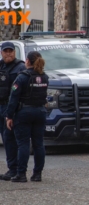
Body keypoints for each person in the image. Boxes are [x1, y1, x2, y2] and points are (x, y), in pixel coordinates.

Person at [5, 51, 49, 182]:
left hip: (24, 113)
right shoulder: (45, 77)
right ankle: (37, 174)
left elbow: (13, 98)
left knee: (23, 144)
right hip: (40, 112)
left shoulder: (22, 77)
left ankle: (21, 174)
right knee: (39, 144)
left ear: (27, 62)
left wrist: (9, 116)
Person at [0, 42, 26, 181]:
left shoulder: (20, 67)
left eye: (11, 51)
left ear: (14, 52)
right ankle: (12, 168)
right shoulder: (0, 66)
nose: (8, 53)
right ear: (1, 52)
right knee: (5, 138)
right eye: (6, 51)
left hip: (11, 107)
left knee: (10, 138)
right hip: (1, 105)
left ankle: (14, 169)